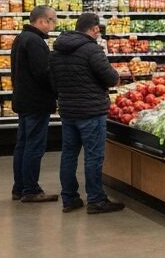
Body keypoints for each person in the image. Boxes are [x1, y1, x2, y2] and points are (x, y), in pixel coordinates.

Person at [49, 13, 124, 214]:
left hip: (68, 111)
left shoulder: (56, 50)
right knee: (93, 156)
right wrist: (115, 77)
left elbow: (53, 83)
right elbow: (110, 78)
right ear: (94, 29)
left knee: (69, 154)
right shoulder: (92, 50)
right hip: (91, 111)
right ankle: (96, 200)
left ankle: (70, 198)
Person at [11, 5, 58, 202]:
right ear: (42, 21)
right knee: (34, 146)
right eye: (53, 21)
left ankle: (20, 187)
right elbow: (43, 73)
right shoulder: (35, 41)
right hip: (36, 102)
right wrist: (57, 88)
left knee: (22, 144)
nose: (54, 25)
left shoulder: (21, 38)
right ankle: (31, 190)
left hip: (23, 100)